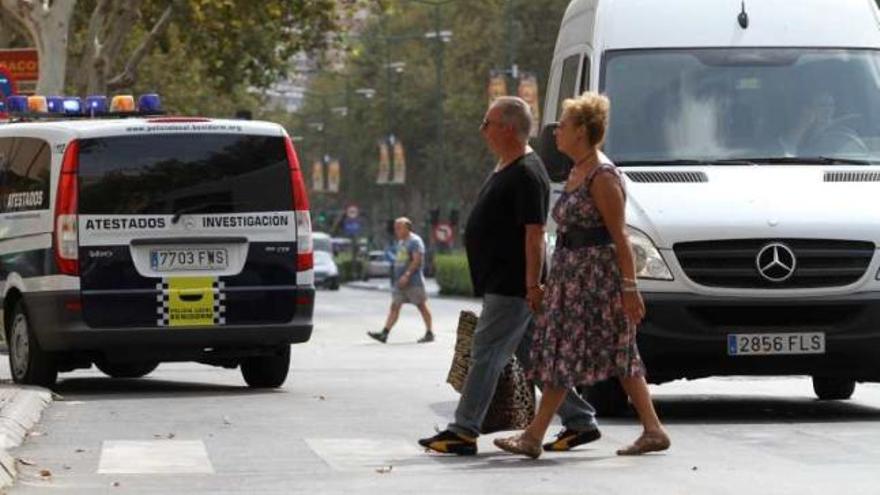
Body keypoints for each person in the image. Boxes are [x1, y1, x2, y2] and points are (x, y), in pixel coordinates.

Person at [418, 96, 601, 456]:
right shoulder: (508, 166)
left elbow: (534, 235)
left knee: (485, 353)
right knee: (534, 357)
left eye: (487, 123)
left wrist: (532, 285)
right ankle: (580, 421)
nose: (482, 130)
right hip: (507, 283)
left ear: (507, 128)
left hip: (514, 284)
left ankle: (463, 429)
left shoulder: (529, 173)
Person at [494, 92, 671, 459]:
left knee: (578, 351)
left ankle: (533, 436)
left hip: (596, 281)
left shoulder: (603, 175)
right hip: (571, 276)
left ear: (583, 132)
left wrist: (629, 287)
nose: (557, 131)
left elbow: (620, 236)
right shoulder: (577, 171)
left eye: (565, 125)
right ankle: (653, 429)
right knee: (606, 352)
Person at [368, 217, 434, 344]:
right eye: (395, 227)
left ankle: (429, 332)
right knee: (394, 306)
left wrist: (407, 275)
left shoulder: (415, 241)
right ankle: (384, 333)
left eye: (399, 227)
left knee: (421, 306)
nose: (396, 230)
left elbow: (417, 260)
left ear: (407, 228)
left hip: (413, 281)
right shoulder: (401, 242)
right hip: (400, 283)